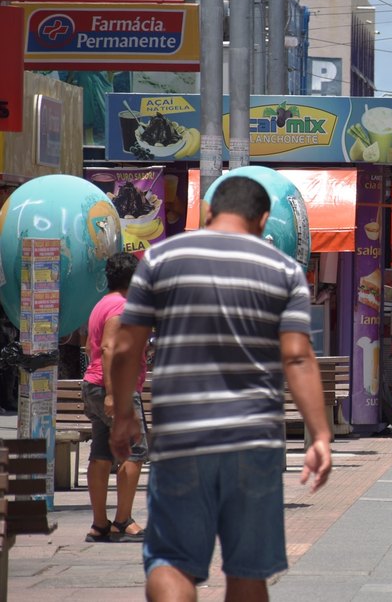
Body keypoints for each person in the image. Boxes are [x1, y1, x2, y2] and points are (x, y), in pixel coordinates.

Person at [108, 177, 332, 601]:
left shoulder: (161, 258)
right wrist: (319, 434)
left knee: (172, 561)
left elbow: (124, 347)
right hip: (254, 442)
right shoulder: (284, 270)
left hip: (181, 438)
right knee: (247, 572)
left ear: (208, 211)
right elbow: (298, 357)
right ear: (263, 220)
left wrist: (123, 415)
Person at [82, 252, 147, 543]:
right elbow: (108, 348)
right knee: (135, 452)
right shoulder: (122, 307)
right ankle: (123, 520)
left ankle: (99, 524)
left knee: (101, 454)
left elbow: (89, 347)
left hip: (92, 383)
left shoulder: (101, 305)